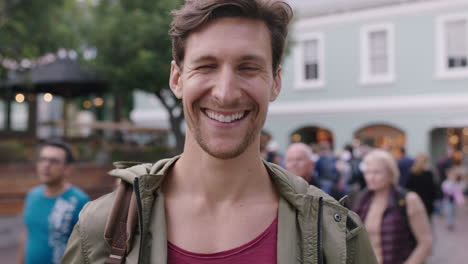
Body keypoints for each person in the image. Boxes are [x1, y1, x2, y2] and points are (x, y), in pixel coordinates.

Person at [62, 1, 377, 263]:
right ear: (177, 78)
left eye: (248, 68)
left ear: (276, 82)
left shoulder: (336, 237)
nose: (225, 93)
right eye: (206, 66)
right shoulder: (101, 227)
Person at [353, 149, 432, 264]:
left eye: (377, 172)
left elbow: (426, 242)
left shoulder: (408, 199)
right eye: (367, 172)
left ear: (391, 173)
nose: (371, 177)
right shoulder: (361, 200)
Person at [17, 140, 89, 264]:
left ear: (67, 168)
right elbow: (28, 233)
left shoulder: (79, 201)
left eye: (54, 161)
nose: (46, 165)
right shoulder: (32, 195)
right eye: (42, 159)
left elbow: (87, 247)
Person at [406, 153, 438, 219]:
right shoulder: (428, 174)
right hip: (427, 203)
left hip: (415, 202)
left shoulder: (412, 173)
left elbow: (408, 188)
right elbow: (433, 189)